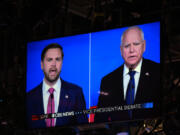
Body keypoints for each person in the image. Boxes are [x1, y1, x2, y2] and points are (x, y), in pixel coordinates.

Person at [95, 26, 161, 123]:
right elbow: (100, 119)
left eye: (136, 44)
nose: (131, 50)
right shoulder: (107, 80)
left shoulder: (157, 71)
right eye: (127, 46)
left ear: (144, 46)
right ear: (121, 50)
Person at [26, 43, 88, 128]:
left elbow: (83, 128)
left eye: (58, 59)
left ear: (62, 63)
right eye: (49, 59)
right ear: (42, 65)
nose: (53, 64)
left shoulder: (75, 93)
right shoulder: (29, 97)